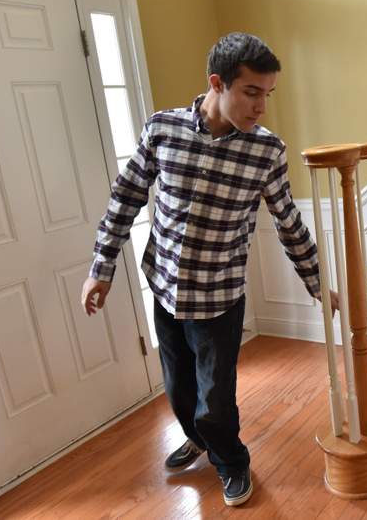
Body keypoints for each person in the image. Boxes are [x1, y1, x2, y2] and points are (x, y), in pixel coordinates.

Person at [80, 32, 338, 507]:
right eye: (252, 92)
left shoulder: (267, 151)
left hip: (220, 297)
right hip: (164, 287)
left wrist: (318, 282)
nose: (261, 107)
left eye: (268, 94)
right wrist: (101, 267)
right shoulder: (162, 129)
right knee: (178, 389)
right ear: (217, 83)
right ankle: (197, 437)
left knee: (215, 398)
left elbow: (288, 222)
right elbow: (126, 198)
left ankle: (232, 462)